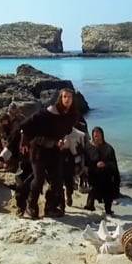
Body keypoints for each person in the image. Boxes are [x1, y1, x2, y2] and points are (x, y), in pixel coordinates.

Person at [19, 88, 79, 219]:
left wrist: (62, 141)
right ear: (60, 98)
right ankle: (30, 207)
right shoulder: (49, 112)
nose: (67, 99)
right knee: (39, 179)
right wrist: (23, 142)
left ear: (73, 99)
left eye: (69, 97)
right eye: (64, 97)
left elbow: (65, 132)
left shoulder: (71, 115)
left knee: (57, 180)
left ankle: (50, 207)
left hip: (54, 151)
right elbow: (27, 124)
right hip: (38, 149)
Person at [83, 126, 121, 215]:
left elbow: (113, 164)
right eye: (95, 134)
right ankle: (90, 206)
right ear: (92, 135)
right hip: (93, 174)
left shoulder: (108, 148)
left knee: (108, 193)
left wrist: (105, 164)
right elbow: (85, 163)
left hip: (106, 175)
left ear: (102, 135)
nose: (97, 136)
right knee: (93, 190)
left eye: (98, 134)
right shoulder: (88, 148)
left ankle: (108, 209)